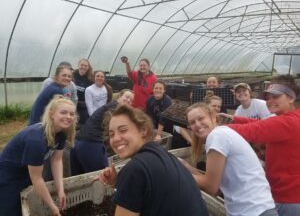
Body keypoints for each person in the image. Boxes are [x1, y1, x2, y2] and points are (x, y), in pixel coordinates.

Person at [94, 105, 210, 216]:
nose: (116, 139)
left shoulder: (135, 169)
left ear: (143, 130)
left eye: (123, 130)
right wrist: (117, 183)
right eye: (112, 134)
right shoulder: (161, 152)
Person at [224, 75, 300, 216]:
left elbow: (253, 130)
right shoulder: (291, 117)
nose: (270, 101)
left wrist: (214, 128)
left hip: (289, 198)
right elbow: (258, 124)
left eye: (275, 97)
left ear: (291, 98)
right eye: (268, 97)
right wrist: (233, 118)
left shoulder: (287, 122)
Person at [184, 102, 278, 216]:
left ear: (213, 117)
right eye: (192, 122)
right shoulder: (222, 133)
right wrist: (187, 167)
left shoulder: (217, 136)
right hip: (257, 208)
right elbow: (216, 186)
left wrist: (178, 172)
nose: (197, 124)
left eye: (201, 118)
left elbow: (211, 186)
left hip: (254, 211)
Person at [0, 95, 77, 216]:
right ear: (52, 114)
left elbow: (56, 160)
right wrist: (52, 206)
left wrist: (60, 189)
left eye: (71, 114)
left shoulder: (60, 134)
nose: (68, 117)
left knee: (25, 207)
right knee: (10, 210)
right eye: (63, 112)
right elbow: (37, 178)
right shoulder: (36, 140)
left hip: (26, 173)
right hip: (7, 177)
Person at [70, 89, 134, 175]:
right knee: (103, 176)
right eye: (127, 97)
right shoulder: (116, 109)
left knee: (79, 178)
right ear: (119, 96)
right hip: (91, 144)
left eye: (131, 100)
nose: (128, 100)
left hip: (78, 144)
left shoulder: (109, 106)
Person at [73, 58, 94, 126]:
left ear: (88, 68)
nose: (83, 67)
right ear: (78, 65)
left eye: (86, 66)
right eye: (82, 65)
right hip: (72, 104)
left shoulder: (90, 79)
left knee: (84, 123)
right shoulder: (72, 75)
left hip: (84, 105)